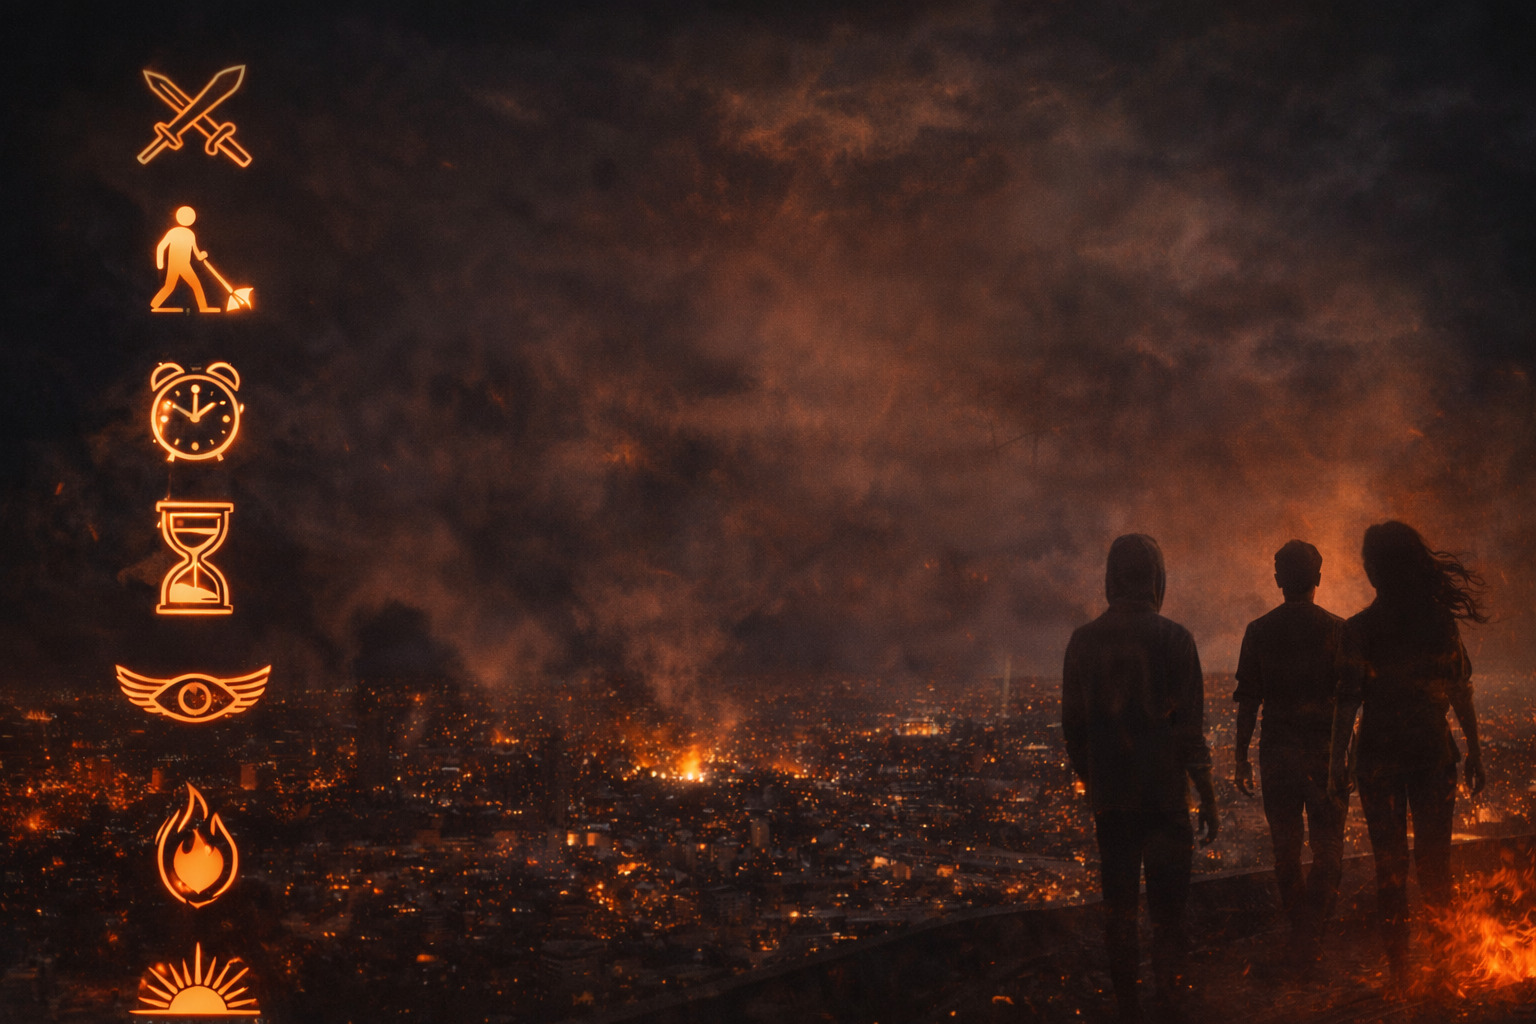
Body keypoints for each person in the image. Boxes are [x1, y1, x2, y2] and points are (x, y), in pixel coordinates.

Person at [1064, 534, 1218, 1021]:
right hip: (1164, 798)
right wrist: (1207, 792)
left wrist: (1096, 780)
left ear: (1112, 576)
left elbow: (1075, 728)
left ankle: (1128, 1007)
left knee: (1119, 915)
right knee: (1168, 918)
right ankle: (1169, 1003)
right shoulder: (1175, 638)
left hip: (1113, 803)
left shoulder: (1083, 641)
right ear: (1156, 576)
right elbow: (1190, 729)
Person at [1327, 521, 1487, 975]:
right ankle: (1442, 963)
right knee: (1437, 869)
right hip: (1433, 756)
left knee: (1389, 870)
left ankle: (1400, 972)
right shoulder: (1439, 622)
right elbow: (1459, 690)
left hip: (1377, 762)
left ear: (1374, 570)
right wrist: (1473, 750)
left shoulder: (1359, 629)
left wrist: (1336, 760)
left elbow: (1348, 700)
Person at [1233, 540, 1346, 956]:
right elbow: (1350, 699)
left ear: (1278, 579)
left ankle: (1300, 929)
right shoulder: (1338, 630)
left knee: (1286, 850)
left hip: (1277, 756)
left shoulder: (1259, 631)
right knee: (1328, 849)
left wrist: (1241, 756)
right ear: (1318, 578)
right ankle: (1311, 931)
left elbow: (1248, 700)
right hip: (1326, 756)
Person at [151, 206, 219, 313]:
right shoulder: (173, 232)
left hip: (183, 264)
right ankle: (203, 307)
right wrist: (160, 263)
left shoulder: (191, 234)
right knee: (194, 285)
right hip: (179, 265)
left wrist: (202, 255)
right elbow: (161, 246)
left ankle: (154, 304)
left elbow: (196, 253)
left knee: (170, 286)